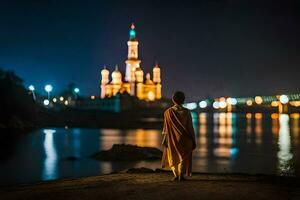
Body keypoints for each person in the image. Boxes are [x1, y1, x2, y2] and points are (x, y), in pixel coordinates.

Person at [161, 91, 196, 181]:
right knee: (184, 157)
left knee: (173, 156)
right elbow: (190, 127)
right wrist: (193, 139)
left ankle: (176, 174)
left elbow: (166, 129)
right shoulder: (187, 112)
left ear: (173, 100)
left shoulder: (167, 112)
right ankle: (181, 174)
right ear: (183, 100)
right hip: (186, 138)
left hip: (172, 139)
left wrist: (164, 139)